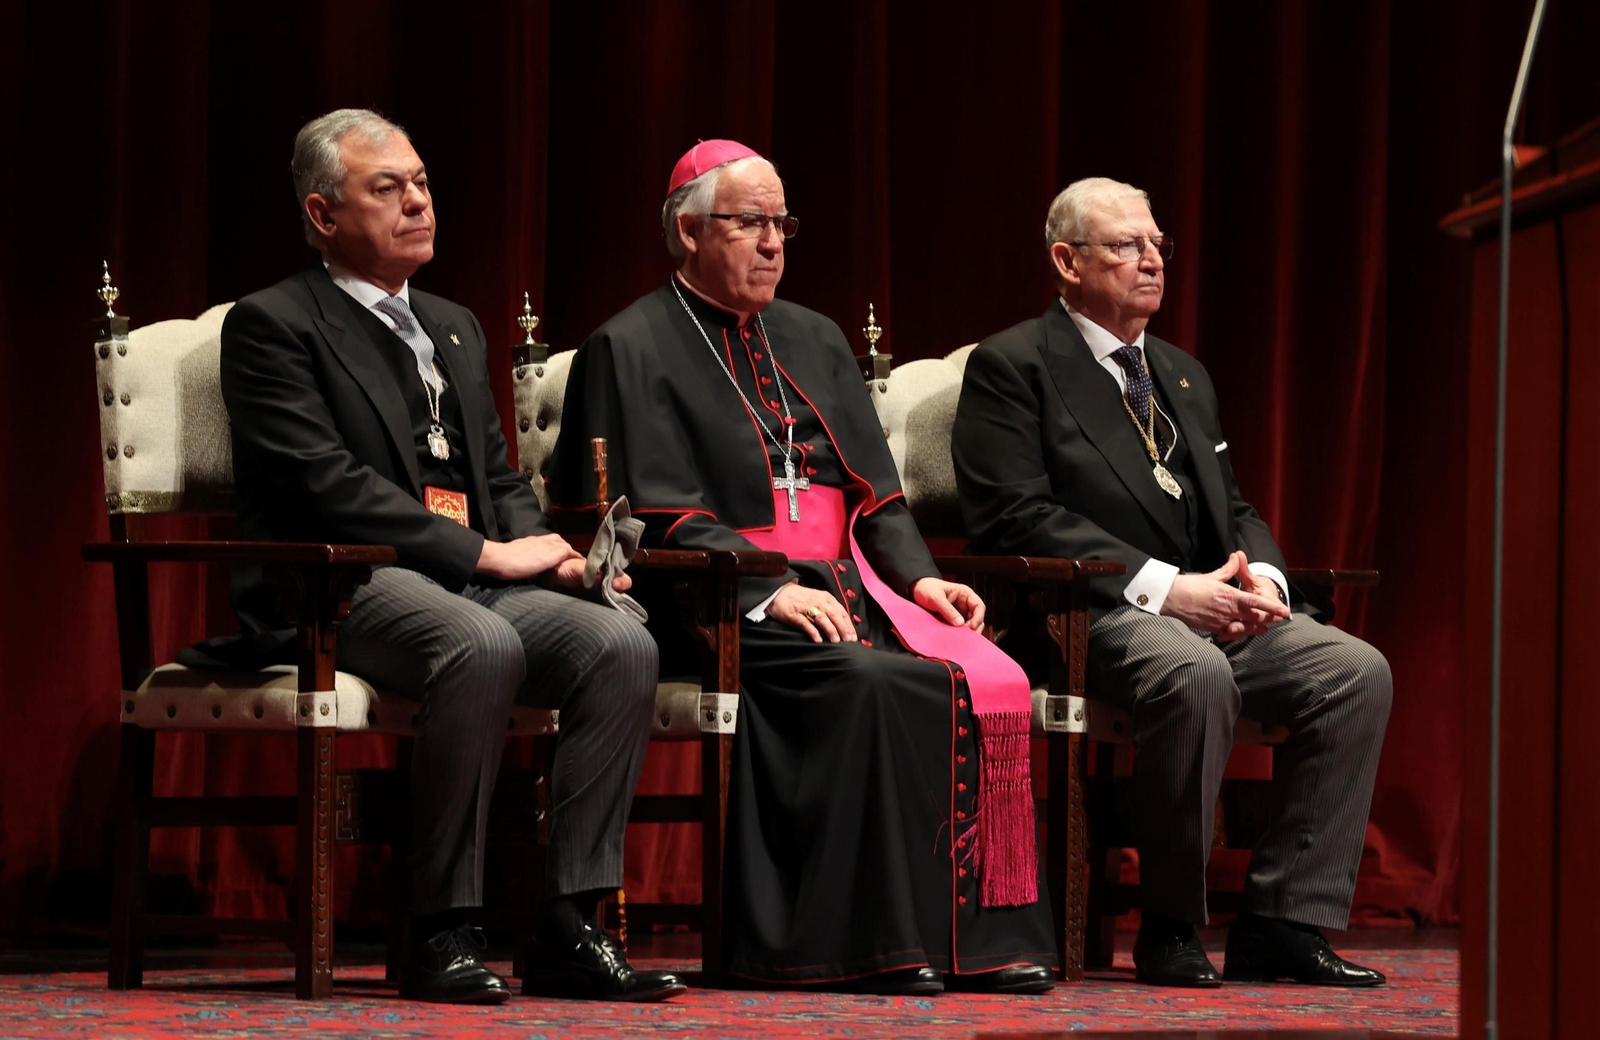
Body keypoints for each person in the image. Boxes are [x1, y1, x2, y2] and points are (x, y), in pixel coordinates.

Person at [553, 140, 1058, 996]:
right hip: (710, 602)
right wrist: (767, 589)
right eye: (749, 222)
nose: (773, 241)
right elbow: (648, 513)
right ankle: (853, 945)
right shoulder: (627, 346)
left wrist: (919, 580)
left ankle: (969, 943)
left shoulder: (815, 337)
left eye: (780, 222)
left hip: (850, 586)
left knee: (970, 676)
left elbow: (878, 500)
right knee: (870, 683)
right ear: (686, 230)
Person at [218, 108, 683, 1004]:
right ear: (322, 214)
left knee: (621, 643)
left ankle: (569, 925)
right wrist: (486, 553)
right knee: (480, 643)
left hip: (464, 576)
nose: (417, 203)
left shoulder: (454, 324)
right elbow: (326, 484)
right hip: (338, 583)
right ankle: (441, 929)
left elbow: (496, 475)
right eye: (386, 189)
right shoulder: (275, 324)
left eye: (422, 183)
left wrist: (548, 556)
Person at [951, 177, 1393, 988]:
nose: (1151, 260)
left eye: (1157, 244)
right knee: (1194, 673)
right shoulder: (1013, 365)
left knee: (1353, 671)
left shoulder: (1181, 372)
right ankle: (1170, 924)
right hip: (1090, 612)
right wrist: (1166, 588)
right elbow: (1014, 516)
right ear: (1066, 260)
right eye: (1126, 245)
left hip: (1211, 606)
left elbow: (1236, 504)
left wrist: (1262, 576)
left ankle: (1284, 922)